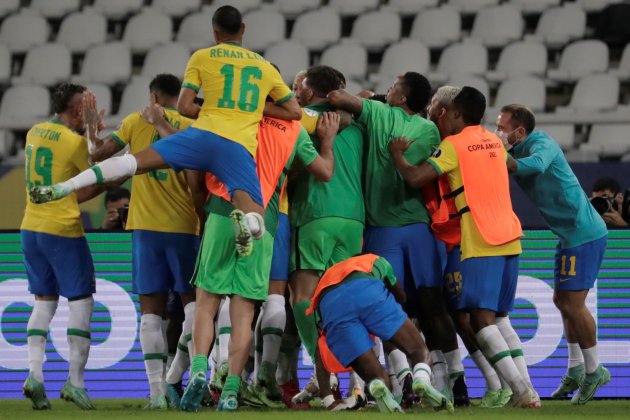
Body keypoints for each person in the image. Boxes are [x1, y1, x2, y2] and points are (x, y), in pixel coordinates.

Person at [29, 5, 301, 257]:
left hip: (200, 137)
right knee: (258, 216)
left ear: (215, 32)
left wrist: (204, 110)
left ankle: (65, 186)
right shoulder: (264, 67)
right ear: (243, 28)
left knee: (130, 162)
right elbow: (294, 112)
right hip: (235, 148)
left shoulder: (202, 57)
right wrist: (251, 108)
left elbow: (184, 106)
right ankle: (246, 226)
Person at [388, 87, 540, 408]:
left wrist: (397, 156)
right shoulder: (495, 142)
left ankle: (521, 391)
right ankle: (524, 388)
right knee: (499, 317)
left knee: (480, 319)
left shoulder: (453, 145)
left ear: (455, 114)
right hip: (510, 235)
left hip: (480, 236)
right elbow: (510, 167)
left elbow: (416, 178)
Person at [180, 110, 339, 412]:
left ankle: (200, 370)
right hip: (263, 221)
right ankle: (231, 389)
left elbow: (193, 168)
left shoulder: (232, 116)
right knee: (244, 315)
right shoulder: (294, 129)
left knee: (206, 303)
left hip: (222, 211)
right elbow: (325, 171)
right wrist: (327, 141)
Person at [327, 74, 465, 405]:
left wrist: (370, 99)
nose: (390, 87)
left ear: (403, 98)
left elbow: (336, 98)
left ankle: (404, 381)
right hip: (419, 227)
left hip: (381, 229)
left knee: (387, 306)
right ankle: (454, 382)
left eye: (396, 85)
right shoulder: (430, 130)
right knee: (433, 304)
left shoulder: (377, 113)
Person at [85, 73, 202, 409]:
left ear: (153, 96)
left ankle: (156, 394)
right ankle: (189, 379)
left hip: (146, 228)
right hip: (185, 226)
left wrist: (92, 130)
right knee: (195, 306)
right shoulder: (193, 126)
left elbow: (98, 157)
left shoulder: (136, 121)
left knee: (151, 313)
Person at [496, 104, 611, 405]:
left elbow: (534, 166)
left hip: (583, 233)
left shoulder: (542, 143)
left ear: (519, 131)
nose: (499, 133)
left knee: (574, 304)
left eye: (502, 127)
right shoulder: (514, 149)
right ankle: (575, 369)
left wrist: (495, 153)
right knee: (561, 301)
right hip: (568, 235)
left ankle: (595, 370)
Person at [276, 65, 365, 408]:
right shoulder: (358, 124)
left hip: (315, 215)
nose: (293, 94)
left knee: (302, 297)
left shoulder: (303, 121)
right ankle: (358, 380)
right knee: (346, 300)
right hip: (353, 220)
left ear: (311, 93)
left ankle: (324, 372)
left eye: (298, 88)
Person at [424, 86, 511, 409]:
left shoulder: (452, 145)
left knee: (469, 316)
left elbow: (419, 177)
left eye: (434, 104)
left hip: (466, 239)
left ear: (447, 111)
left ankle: (503, 385)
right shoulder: (472, 141)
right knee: (464, 315)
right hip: (452, 239)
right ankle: (502, 384)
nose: (430, 108)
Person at [21, 83, 104, 410]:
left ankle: (34, 375)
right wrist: (94, 129)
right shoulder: (72, 142)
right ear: (80, 110)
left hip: (31, 227)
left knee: (43, 303)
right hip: (62, 230)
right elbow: (97, 166)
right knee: (81, 302)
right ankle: (75, 381)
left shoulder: (33, 131)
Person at [306, 254, 453, 414]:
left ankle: (377, 383)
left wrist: (328, 399)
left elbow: (319, 349)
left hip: (331, 307)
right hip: (367, 291)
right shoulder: (374, 259)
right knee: (419, 351)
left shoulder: (323, 282)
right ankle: (422, 379)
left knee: (380, 379)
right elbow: (401, 296)